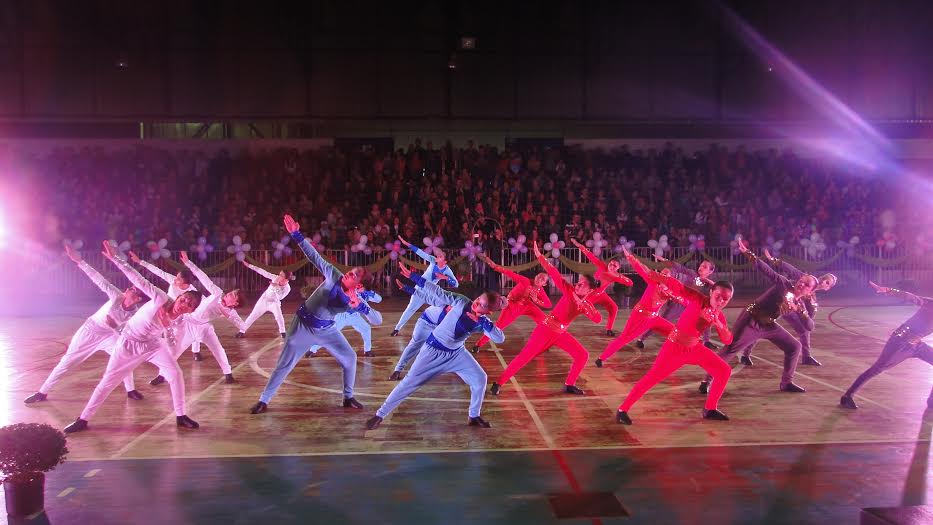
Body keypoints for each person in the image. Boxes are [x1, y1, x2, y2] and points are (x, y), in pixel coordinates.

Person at [64, 241, 202, 433]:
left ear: (191, 310)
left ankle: (181, 416)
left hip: (153, 345)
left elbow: (174, 340)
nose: (184, 302)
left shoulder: (180, 321)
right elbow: (139, 280)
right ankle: (83, 419)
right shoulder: (161, 298)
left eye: (189, 304)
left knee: (175, 374)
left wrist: (170, 350)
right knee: (108, 382)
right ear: (179, 297)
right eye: (184, 298)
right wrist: (116, 259)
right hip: (128, 343)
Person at [249, 215, 382, 414]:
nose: (349, 273)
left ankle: (348, 397)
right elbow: (315, 257)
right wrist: (296, 235)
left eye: (354, 275)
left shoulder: (357, 300)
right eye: (351, 270)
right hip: (302, 324)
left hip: (326, 330)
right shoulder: (333, 274)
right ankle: (264, 400)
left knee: (350, 358)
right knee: (285, 363)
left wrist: (362, 308)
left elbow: (377, 320)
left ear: (360, 285)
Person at [365, 264, 506, 430]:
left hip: (456, 354)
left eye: (481, 305)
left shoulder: (484, 323)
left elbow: (500, 338)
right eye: (477, 300)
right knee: (409, 383)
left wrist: (483, 323)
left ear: (488, 311)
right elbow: (438, 293)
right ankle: (379, 414)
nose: (476, 304)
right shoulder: (461, 302)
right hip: (433, 351)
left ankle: (474, 416)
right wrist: (415, 277)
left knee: (480, 379)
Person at [616, 243, 735, 425]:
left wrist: (719, 324)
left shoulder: (719, 315)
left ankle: (710, 408)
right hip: (674, 348)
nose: (721, 301)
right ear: (711, 292)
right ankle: (622, 409)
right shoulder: (696, 298)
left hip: (695, 348)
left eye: (726, 299)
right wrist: (637, 262)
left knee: (724, 370)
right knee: (651, 378)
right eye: (718, 296)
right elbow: (667, 281)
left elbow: (728, 340)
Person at [25, 245, 146, 404]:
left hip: (109, 335)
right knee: (66, 362)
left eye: (133, 289)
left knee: (124, 357)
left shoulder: (135, 312)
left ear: (136, 298)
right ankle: (42, 392)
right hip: (90, 331)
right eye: (130, 287)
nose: (129, 288)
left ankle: (131, 390)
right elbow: (98, 279)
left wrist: (115, 326)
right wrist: (79, 261)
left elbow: (128, 331)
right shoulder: (116, 295)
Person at [490, 241, 608, 397]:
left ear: (589, 289)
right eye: (579, 283)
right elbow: (553, 272)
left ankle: (569, 384)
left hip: (560, 333)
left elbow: (598, 319)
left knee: (582, 355)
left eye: (582, 284)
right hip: (545, 330)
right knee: (524, 357)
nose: (578, 285)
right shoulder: (568, 289)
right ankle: (498, 383)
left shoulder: (585, 304)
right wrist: (540, 256)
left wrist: (585, 305)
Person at [700, 239, 815, 394]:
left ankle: (786, 383)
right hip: (751, 319)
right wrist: (748, 253)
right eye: (801, 281)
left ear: (810, 291)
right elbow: (767, 270)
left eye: (806, 285)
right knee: (731, 348)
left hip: (768, 325)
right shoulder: (784, 283)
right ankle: (706, 381)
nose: (801, 284)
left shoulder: (799, 305)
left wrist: (800, 311)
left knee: (795, 346)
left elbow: (809, 327)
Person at [148, 251, 245, 385]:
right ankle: (161, 375)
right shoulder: (217, 292)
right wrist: (188, 263)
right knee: (175, 351)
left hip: (205, 328)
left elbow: (243, 326)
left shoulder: (232, 312)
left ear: (234, 304)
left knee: (218, 349)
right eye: (230, 293)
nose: (228, 295)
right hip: (188, 324)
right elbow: (203, 277)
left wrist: (228, 315)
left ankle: (228, 374)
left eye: (232, 296)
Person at [840, 281, 933, 410]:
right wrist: (888, 290)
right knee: (878, 368)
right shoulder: (930, 304)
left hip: (916, 344)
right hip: (900, 342)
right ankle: (847, 396)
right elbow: (912, 297)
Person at [740, 249, 837, 366]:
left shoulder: (812, 301)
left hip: (792, 310)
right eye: (823, 279)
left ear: (828, 288)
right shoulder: (805, 279)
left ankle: (806, 356)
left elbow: (808, 320)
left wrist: (803, 315)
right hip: (780, 301)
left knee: (804, 331)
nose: (823, 282)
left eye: (827, 283)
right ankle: (745, 354)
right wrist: (774, 260)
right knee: (762, 323)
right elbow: (790, 269)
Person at [595, 251, 679, 367]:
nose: (663, 275)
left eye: (666, 275)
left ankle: (678, 357)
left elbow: (684, 299)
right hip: (640, 316)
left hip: (654, 318)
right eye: (662, 273)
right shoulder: (652, 281)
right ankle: (601, 358)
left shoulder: (670, 291)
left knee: (677, 333)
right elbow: (640, 268)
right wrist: (630, 257)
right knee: (625, 337)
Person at [471, 254, 551, 352]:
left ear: (544, 284)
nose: (539, 279)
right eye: (538, 277)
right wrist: (495, 266)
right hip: (512, 305)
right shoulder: (525, 281)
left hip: (527, 306)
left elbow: (548, 304)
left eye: (542, 279)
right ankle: (478, 345)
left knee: (544, 320)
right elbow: (510, 273)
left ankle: (544, 343)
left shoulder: (540, 290)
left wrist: (536, 301)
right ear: (535, 276)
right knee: (499, 326)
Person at [634, 256, 717, 349]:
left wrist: (710, 283)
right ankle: (641, 339)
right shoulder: (692, 274)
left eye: (705, 267)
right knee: (662, 320)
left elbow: (716, 290)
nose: (701, 267)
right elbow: (680, 268)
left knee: (706, 318)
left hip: (693, 306)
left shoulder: (709, 284)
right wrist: (665, 260)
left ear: (710, 271)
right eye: (701, 265)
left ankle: (706, 341)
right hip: (679, 304)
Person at [390, 235, 459, 336]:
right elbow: (421, 253)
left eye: (440, 256)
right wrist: (407, 244)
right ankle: (397, 329)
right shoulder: (432, 260)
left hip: (431, 293)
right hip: (419, 288)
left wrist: (444, 277)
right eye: (438, 255)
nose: (437, 256)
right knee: (410, 309)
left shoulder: (447, 270)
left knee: (442, 308)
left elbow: (456, 283)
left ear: (445, 261)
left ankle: (446, 330)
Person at [570, 239, 634, 336]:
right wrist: (579, 245)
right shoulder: (602, 266)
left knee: (614, 308)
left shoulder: (616, 275)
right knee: (577, 308)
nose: (612, 266)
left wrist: (619, 277)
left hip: (601, 294)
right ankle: (562, 322)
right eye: (611, 264)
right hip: (591, 293)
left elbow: (630, 283)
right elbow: (590, 256)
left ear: (618, 268)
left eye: (615, 266)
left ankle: (609, 329)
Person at [389, 284, 451, 381]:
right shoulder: (442, 301)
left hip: (438, 328)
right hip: (425, 323)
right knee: (414, 345)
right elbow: (424, 296)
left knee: (447, 347)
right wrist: (407, 288)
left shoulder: (459, 312)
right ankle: (398, 370)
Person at [304, 285, 382, 358]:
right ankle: (312, 350)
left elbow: (379, 299)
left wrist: (368, 292)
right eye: (359, 285)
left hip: (354, 316)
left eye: (362, 286)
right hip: (341, 316)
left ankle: (367, 351)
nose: (360, 287)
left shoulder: (364, 294)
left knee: (366, 328)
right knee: (329, 334)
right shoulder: (347, 289)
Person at [238, 261, 293, 339]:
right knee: (253, 315)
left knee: (279, 316)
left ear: (286, 279)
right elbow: (263, 272)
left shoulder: (287, 288)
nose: (278, 276)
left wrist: (276, 287)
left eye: (281, 275)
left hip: (274, 303)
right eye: (279, 274)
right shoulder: (275, 278)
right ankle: (241, 331)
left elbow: (280, 297)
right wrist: (249, 265)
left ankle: (283, 332)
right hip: (263, 300)